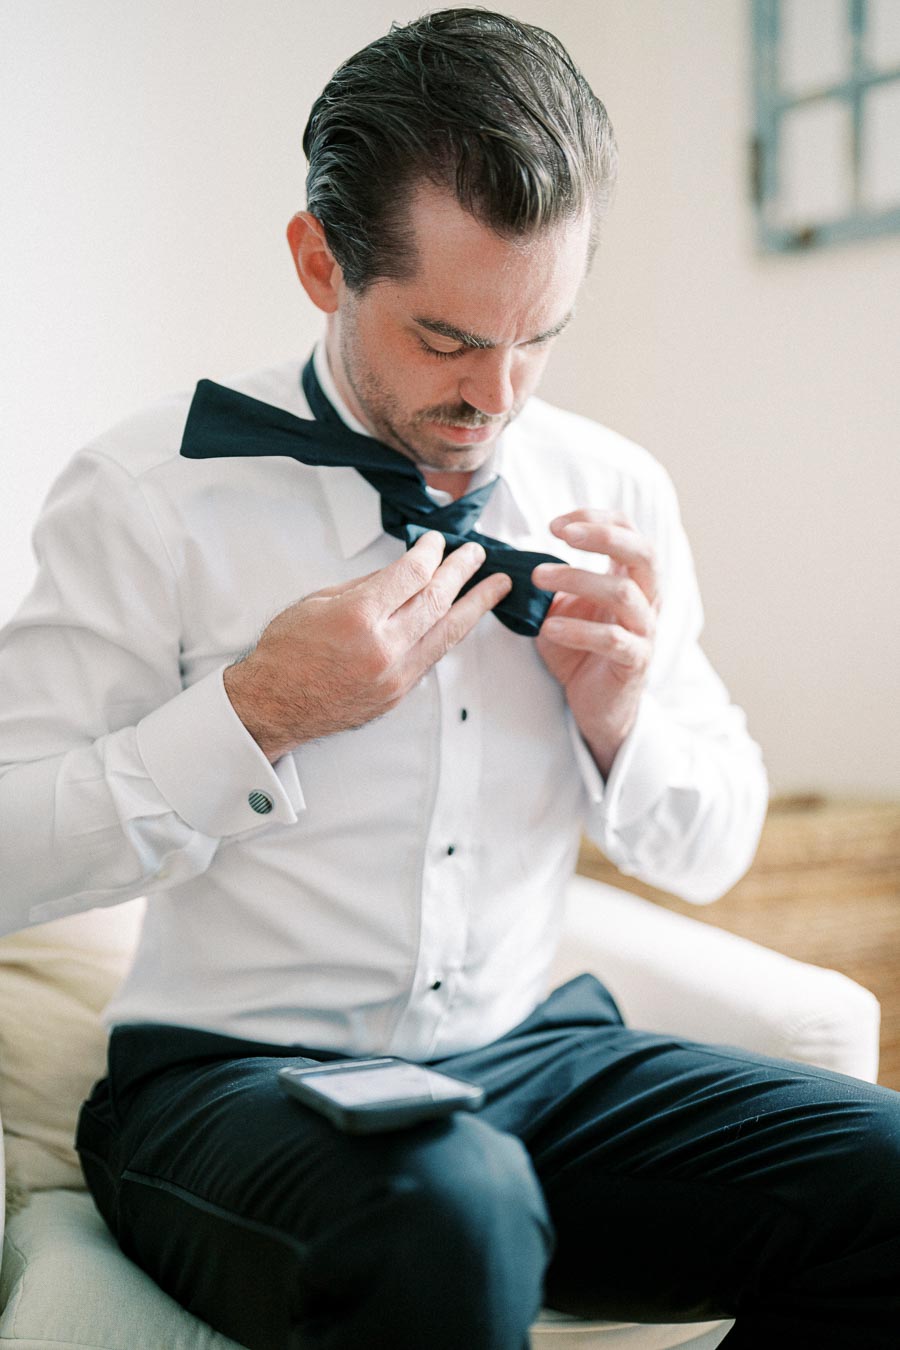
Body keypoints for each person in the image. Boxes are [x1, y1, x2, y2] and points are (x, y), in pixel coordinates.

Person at [1, 9, 898, 1348]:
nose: (501, 394)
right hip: (229, 1085)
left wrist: (622, 719)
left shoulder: (612, 491)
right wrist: (253, 714)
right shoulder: (148, 491)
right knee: (451, 1206)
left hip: (529, 1064)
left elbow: (716, 850)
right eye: (446, 339)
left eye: (541, 337)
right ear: (320, 261)